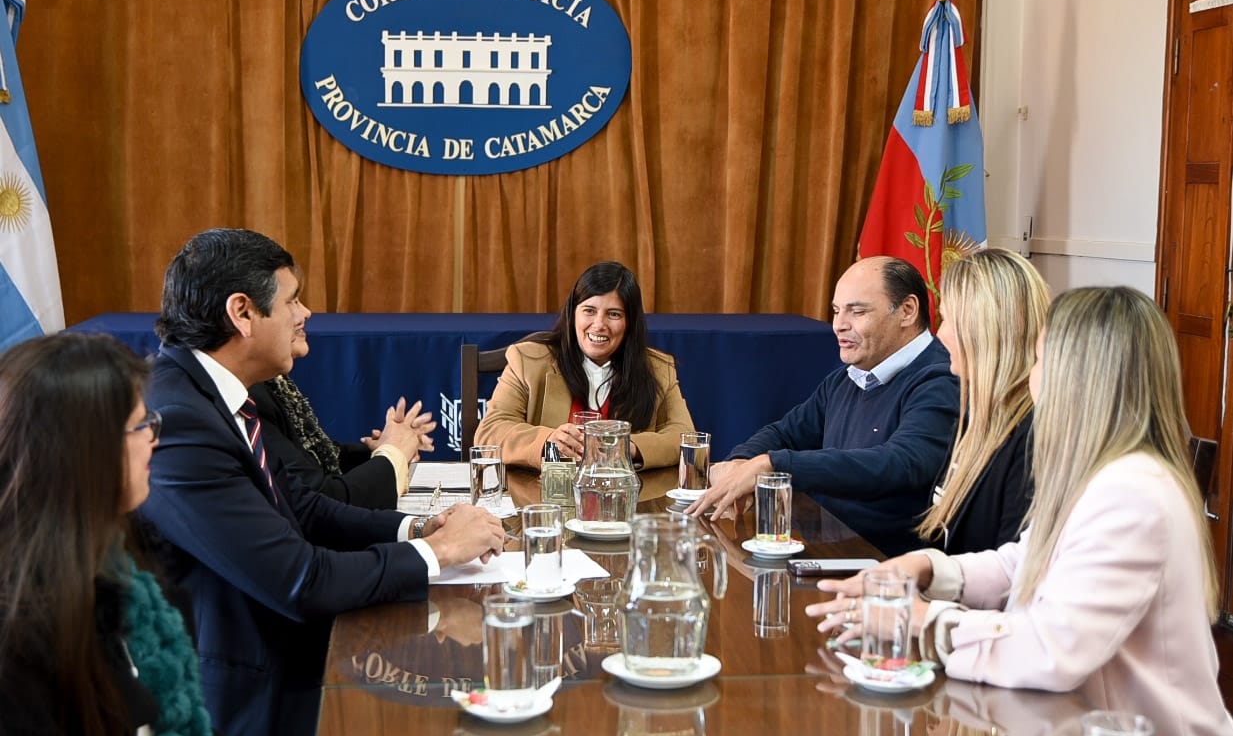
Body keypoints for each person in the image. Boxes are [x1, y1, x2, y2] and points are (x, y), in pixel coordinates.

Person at [809, 286, 1233, 736]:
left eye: (1039, 360)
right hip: (1074, 730)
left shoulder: (1132, 493)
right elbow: (1023, 562)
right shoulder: (1106, 472)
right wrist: (927, 569)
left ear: (1077, 379)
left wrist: (924, 621)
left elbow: (1051, 651)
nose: (1031, 375)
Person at [137, 228, 505, 736]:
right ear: (242, 312)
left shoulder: (214, 394)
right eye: (291, 300)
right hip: (250, 699)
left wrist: (418, 527)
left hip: (296, 657)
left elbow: (304, 508)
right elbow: (300, 579)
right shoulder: (181, 420)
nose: (304, 313)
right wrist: (440, 551)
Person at [0, 333, 233, 736]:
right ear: (84, 451)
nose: (154, 437)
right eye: (141, 425)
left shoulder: (121, 565)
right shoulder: (21, 637)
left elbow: (182, 731)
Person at [687, 256, 960, 556]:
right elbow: (785, 433)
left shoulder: (942, 378)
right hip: (829, 548)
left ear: (907, 311)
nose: (839, 325)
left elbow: (900, 464)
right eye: (836, 311)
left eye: (857, 311)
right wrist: (741, 463)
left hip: (888, 566)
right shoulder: (849, 377)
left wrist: (773, 465)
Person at [475, 261, 695, 470]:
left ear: (630, 323)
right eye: (589, 311)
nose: (599, 325)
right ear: (573, 314)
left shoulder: (659, 369)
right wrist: (547, 440)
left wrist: (630, 447)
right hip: (544, 491)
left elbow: (685, 436)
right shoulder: (529, 360)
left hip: (625, 494)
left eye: (614, 314)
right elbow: (490, 433)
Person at [917, 248, 1049, 554]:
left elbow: (1013, 568)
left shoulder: (1032, 441)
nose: (939, 334)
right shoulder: (973, 419)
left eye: (946, 320)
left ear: (983, 330)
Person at [249, 326, 436, 509]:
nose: (304, 313)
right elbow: (321, 500)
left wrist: (386, 448)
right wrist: (392, 455)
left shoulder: (272, 383)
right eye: (290, 306)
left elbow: (317, 460)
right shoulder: (251, 398)